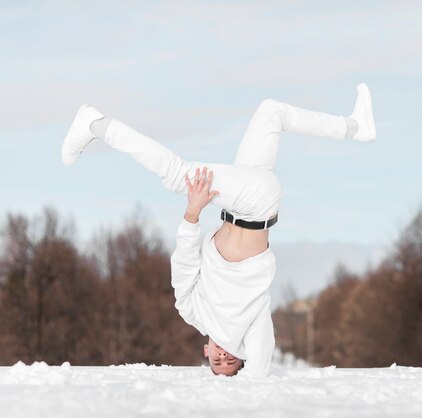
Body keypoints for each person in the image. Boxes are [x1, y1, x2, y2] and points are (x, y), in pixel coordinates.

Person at [61, 83, 376, 376]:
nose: (224, 355)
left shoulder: (191, 310)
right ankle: (95, 125)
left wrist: (192, 213)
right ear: (241, 357)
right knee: (177, 175)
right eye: (231, 360)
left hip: (241, 202)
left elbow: (183, 263)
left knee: (271, 112)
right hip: (257, 205)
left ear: (206, 350)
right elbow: (260, 367)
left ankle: (354, 127)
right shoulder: (251, 328)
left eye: (217, 360)